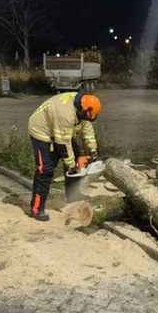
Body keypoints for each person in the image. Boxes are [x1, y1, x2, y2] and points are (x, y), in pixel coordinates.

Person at [27, 91, 101, 221]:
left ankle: (73, 195)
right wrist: (71, 165)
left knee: (77, 159)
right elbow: (63, 144)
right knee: (45, 170)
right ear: (81, 110)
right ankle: (36, 208)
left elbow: (86, 127)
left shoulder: (83, 107)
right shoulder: (66, 114)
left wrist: (93, 149)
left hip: (60, 130)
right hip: (42, 132)